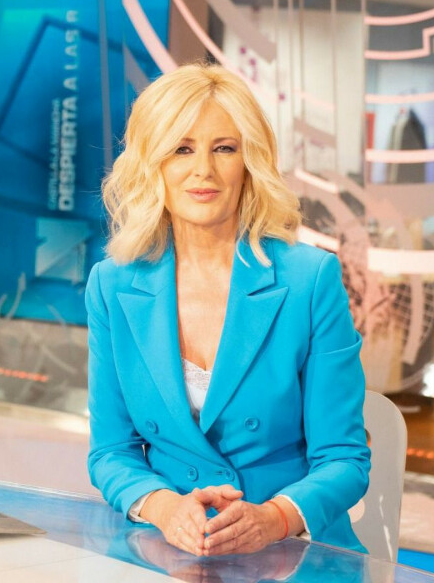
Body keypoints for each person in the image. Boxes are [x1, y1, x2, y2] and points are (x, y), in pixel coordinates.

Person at [85, 63, 370, 557]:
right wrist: (164, 508)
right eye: (181, 149)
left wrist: (274, 518)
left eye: (224, 148)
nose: (204, 171)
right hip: (169, 550)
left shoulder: (310, 279)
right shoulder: (111, 285)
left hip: (292, 551)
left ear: (249, 162)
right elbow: (112, 452)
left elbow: (344, 459)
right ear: (152, 163)